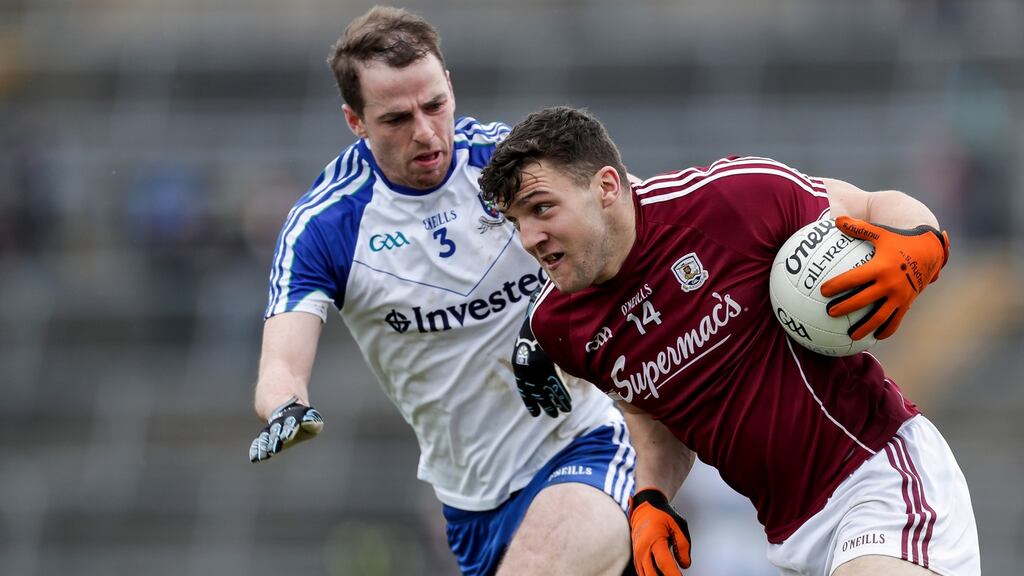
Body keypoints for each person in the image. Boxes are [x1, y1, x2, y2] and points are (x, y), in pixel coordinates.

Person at [479, 106, 980, 576]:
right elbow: (651, 413)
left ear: (607, 186)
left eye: (542, 208)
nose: (529, 238)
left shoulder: (731, 199)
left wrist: (920, 242)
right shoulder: (559, 325)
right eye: (517, 221)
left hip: (880, 475)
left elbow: (870, 204)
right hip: (788, 534)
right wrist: (650, 497)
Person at [246, 9, 637, 576]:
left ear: (450, 86)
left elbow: (624, 226)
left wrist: (549, 331)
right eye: (397, 118)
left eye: (435, 105)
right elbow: (280, 365)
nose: (426, 132)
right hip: (470, 503)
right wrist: (287, 407)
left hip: (584, 441)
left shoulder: (510, 163)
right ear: (355, 121)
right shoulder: (325, 225)